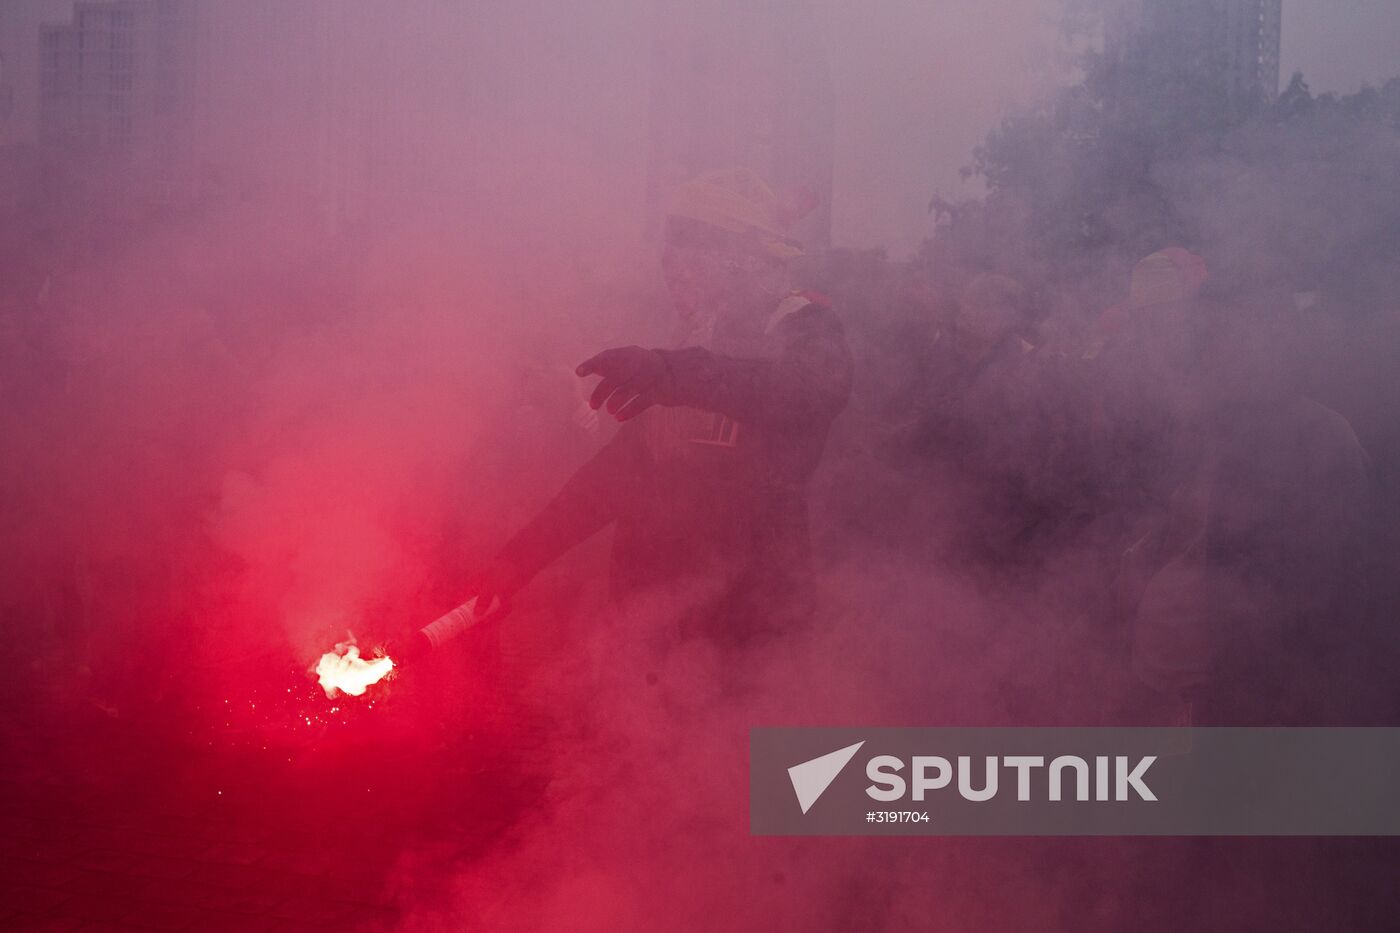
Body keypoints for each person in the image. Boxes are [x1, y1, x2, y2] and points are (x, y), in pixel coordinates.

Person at [445, 168, 852, 652]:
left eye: (693, 251)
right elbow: (621, 473)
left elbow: (808, 390)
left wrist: (675, 373)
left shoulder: (801, 323)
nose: (674, 269)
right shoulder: (689, 341)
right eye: (672, 253)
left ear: (743, 256)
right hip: (652, 624)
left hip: (750, 624)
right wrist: (521, 559)